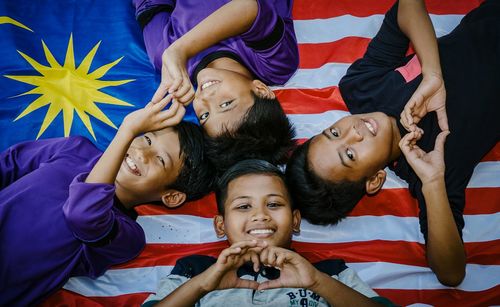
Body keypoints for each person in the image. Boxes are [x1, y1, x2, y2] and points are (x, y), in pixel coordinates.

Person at [285, 0, 500, 287]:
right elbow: (451, 272)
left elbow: (407, 7)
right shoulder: (428, 167)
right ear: (374, 180)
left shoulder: (362, 88)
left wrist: (433, 74)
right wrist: (433, 182)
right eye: (349, 153)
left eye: (334, 133)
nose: (354, 132)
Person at [0, 97, 214, 306]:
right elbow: (9, 164)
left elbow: (82, 215)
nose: (141, 152)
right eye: (147, 138)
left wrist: (127, 131)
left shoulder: (127, 236)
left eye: (160, 159)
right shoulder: (75, 148)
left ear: (172, 196)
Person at [142, 159, 394, 306]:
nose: (260, 215)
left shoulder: (331, 274)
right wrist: (202, 286)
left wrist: (318, 283)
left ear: (295, 220)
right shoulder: (193, 271)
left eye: (273, 204)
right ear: (221, 225)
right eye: (243, 206)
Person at [134, 0, 297, 172]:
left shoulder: (164, 59)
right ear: (261, 91)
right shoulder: (275, 66)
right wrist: (179, 50)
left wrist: (168, 54)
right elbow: (249, 8)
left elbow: (150, 6)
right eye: (226, 104)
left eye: (204, 115)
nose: (205, 99)